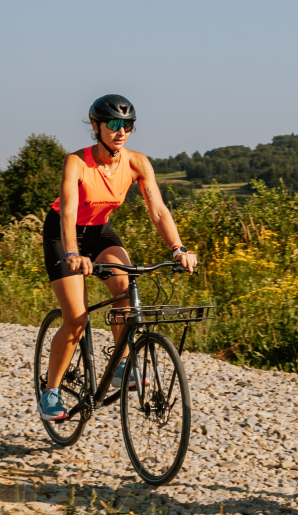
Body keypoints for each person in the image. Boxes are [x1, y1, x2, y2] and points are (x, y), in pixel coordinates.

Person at [38, 94, 197, 419]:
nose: (121, 130)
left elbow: (157, 210)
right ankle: (51, 392)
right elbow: (68, 211)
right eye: (113, 124)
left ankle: (123, 363)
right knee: (77, 320)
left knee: (125, 287)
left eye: (127, 125)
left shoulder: (137, 163)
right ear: (96, 127)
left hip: (100, 232)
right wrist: (72, 253)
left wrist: (178, 248)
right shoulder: (78, 162)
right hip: (63, 234)